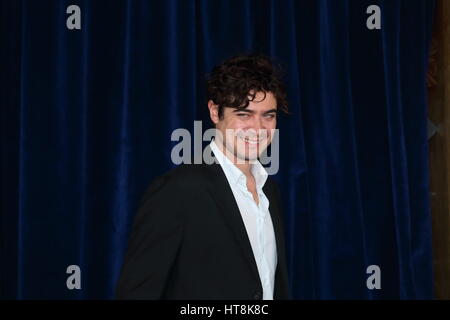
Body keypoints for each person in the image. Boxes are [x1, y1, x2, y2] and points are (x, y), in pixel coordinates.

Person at [115, 54, 290, 300]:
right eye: (243, 114)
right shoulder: (177, 191)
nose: (258, 128)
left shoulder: (269, 190)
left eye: (268, 116)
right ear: (215, 112)